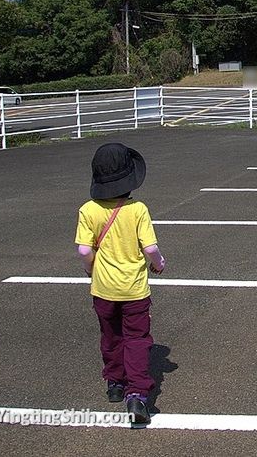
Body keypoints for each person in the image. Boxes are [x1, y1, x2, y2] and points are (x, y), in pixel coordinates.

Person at [75, 143, 166, 426]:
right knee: (137, 339)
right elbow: (150, 248)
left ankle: (114, 383)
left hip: (103, 288)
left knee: (110, 335)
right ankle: (137, 393)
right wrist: (159, 263)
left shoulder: (88, 210)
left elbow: (83, 250)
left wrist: (92, 269)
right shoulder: (137, 209)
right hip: (134, 288)